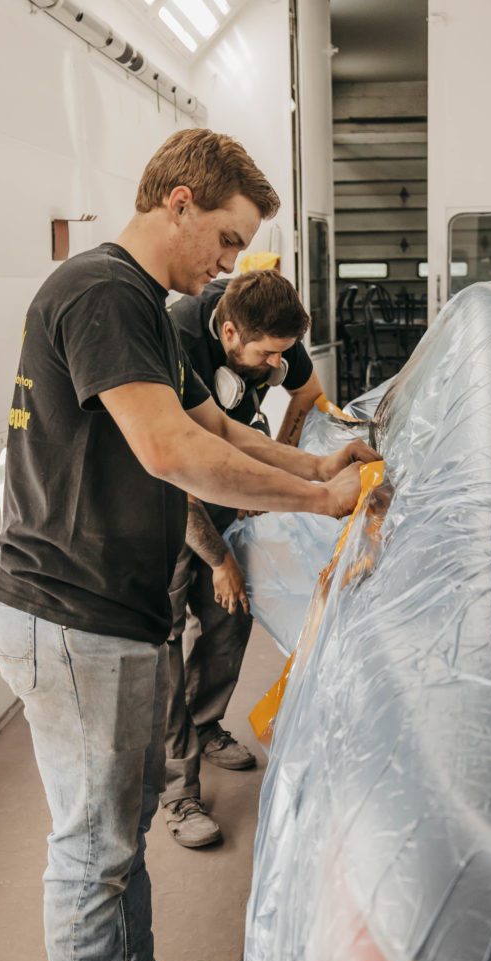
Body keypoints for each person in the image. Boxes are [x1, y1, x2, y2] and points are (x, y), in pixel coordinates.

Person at [0, 128, 377, 961]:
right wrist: (318, 508)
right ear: (181, 204)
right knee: (91, 848)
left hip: (104, 613)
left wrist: (320, 469)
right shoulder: (100, 293)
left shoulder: (147, 310)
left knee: (122, 825)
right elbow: (172, 456)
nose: (231, 263)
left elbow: (214, 428)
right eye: (228, 239)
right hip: (69, 613)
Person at [162, 270, 323, 847]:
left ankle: (206, 728)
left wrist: (279, 461)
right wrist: (217, 558)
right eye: (267, 355)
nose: (277, 364)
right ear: (228, 333)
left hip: (226, 490)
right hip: (168, 510)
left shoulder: (270, 319)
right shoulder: (175, 338)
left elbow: (306, 393)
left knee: (232, 620)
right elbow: (174, 468)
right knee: (167, 643)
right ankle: (179, 790)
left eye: (284, 352)